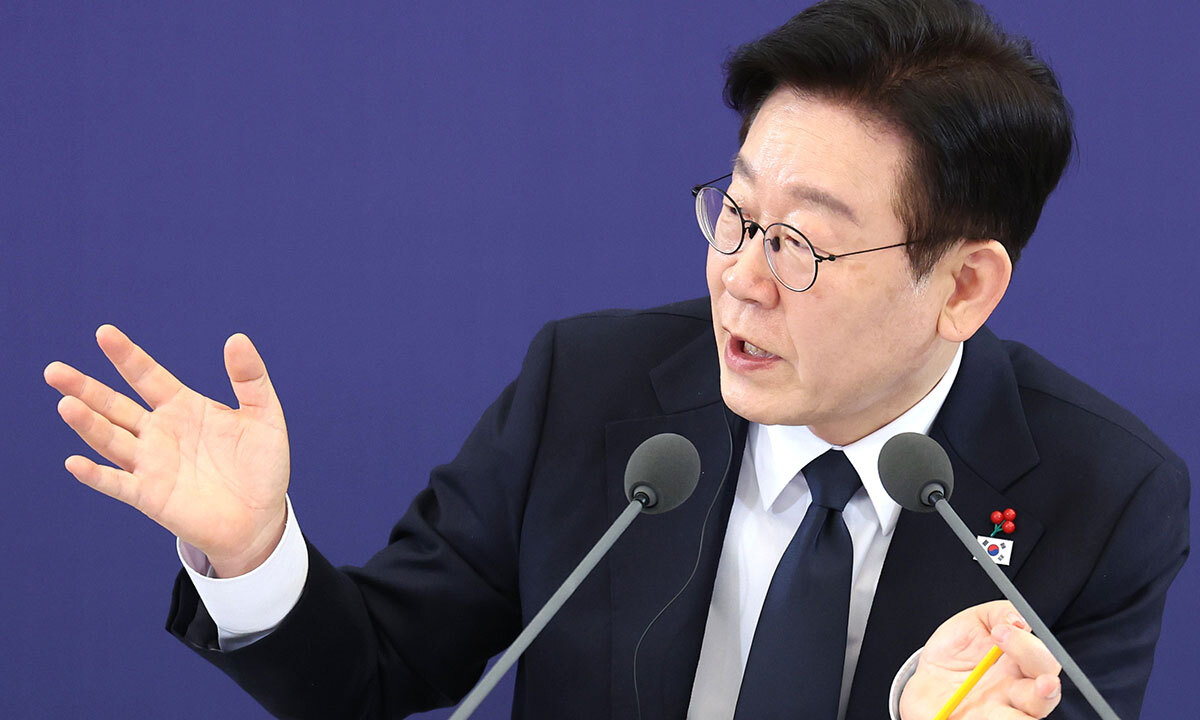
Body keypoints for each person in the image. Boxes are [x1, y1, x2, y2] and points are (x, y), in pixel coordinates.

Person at [43, 0, 1188, 718]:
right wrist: (252, 553)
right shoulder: (588, 392)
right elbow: (374, 674)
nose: (739, 277)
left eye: (800, 245)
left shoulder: (1102, 493)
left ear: (965, 286)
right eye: (737, 214)